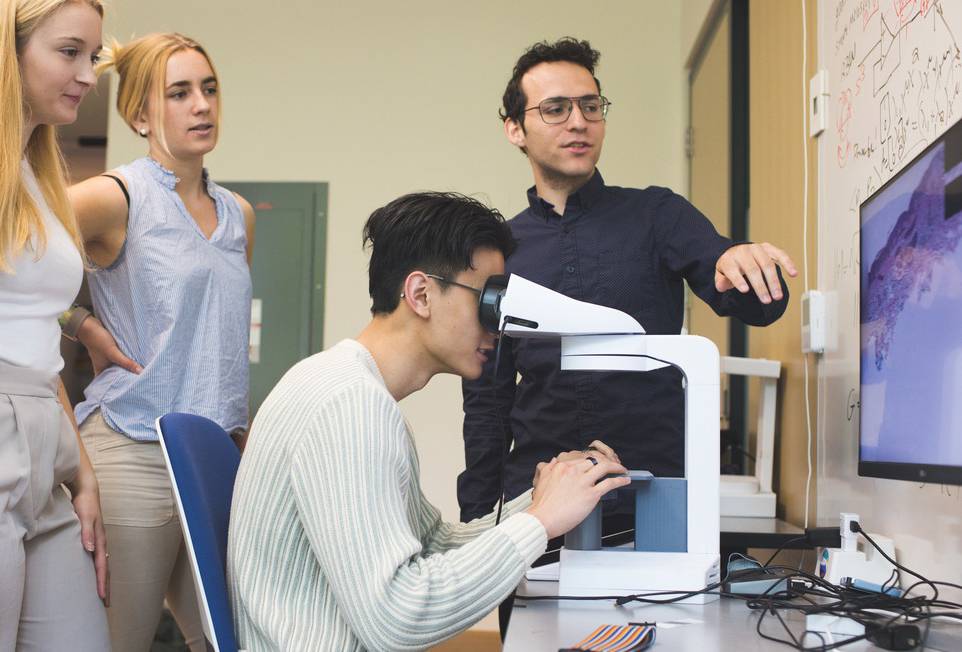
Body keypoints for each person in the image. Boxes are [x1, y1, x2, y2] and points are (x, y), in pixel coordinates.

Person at [228, 191, 629, 651]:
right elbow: (398, 618)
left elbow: (433, 543)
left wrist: (545, 501)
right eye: (488, 300)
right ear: (421, 294)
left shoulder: (350, 386)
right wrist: (539, 521)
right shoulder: (349, 405)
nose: (498, 323)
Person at [460, 37, 798, 541]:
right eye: (555, 109)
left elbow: (747, 299)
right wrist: (481, 515)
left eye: (590, 106)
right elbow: (486, 397)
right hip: (538, 501)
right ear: (515, 128)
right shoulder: (499, 251)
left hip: (655, 493)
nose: (579, 122)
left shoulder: (658, 215)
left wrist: (744, 263)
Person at [66, 32, 256, 651]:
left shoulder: (238, 215)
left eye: (209, 88)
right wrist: (80, 323)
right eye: (179, 93)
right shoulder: (115, 196)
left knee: (230, 640)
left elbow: (216, 339)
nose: (201, 105)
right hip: (131, 447)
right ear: (140, 115)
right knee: (119, 641)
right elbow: (19, 250)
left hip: (211, 453)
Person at [0, 0, 110, 649]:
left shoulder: (37, 176)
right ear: (11, 54)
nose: (89, 73)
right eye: (70, 52)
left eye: (92, 56)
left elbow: (37, 338)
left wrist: (83, 470)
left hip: (47, 441)